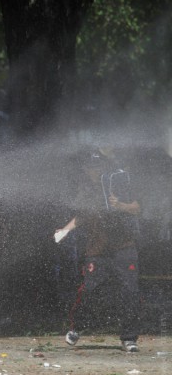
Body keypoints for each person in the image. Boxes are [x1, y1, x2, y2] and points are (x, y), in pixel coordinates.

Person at [55, 149, 141, 352]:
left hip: (123, 247)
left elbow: (137, 208)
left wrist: (119, 205)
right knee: (89, 290)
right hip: (96, 250)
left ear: (104, 167)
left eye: (97, 166)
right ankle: (77, 328)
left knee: (130, 291)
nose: (93, 171)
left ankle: (129, 338)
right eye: (90, 167)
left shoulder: (118, 184)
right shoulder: (86, 191)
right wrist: (65, 230)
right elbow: (81, 216)